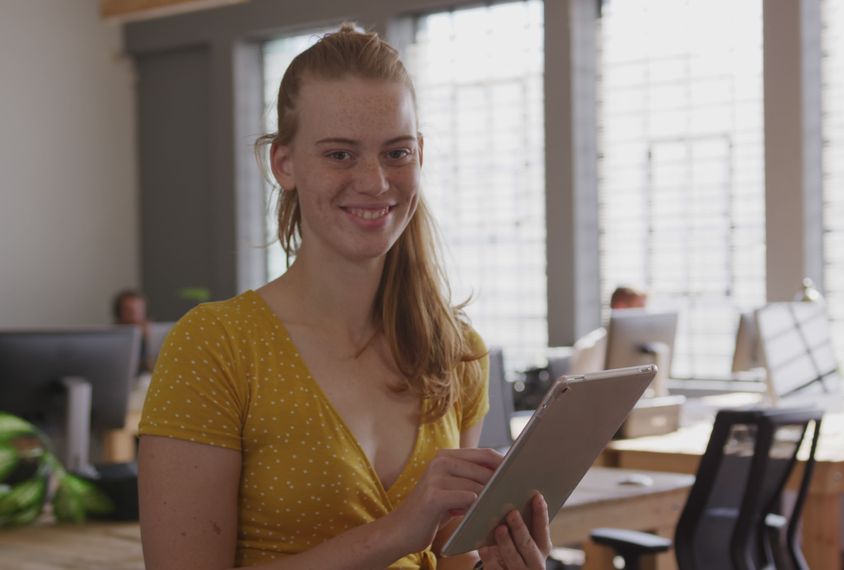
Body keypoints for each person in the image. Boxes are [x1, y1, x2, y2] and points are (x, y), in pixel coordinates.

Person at [137, 25, 551, 570]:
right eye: (339, 154)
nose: (376, 182)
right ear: (283, 164)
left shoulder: (453, 351)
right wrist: (399, 530)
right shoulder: (217, 347)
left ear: (420, 154)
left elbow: (452, 559)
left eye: (396, 152)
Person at [567, 286, 648, 375]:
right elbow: (582, 386)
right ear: (620, 308)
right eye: (639, 308)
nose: (644, 316)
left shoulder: (639, 345)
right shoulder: (590, 346)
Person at [113, 289, 151, 374]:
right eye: (128, 310)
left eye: (139, 309)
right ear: (119, 312)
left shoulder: (150, 333)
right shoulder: (112, 338)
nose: (134, 314)